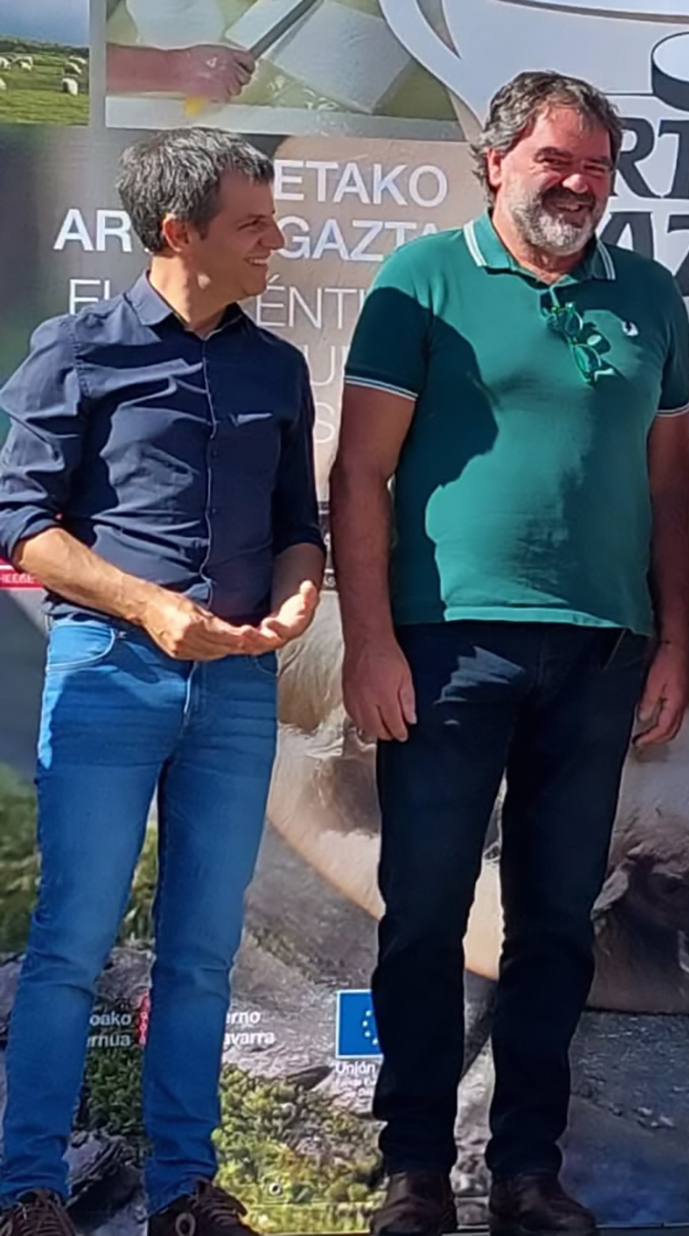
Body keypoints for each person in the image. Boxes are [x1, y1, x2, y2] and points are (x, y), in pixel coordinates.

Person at [329, 71, 689, 1236]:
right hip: (446, 648)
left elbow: (670, 489)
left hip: (600, 653)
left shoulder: (648, 295)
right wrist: (369, 641)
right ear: (494, 162)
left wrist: (675, 640)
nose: (579, 184)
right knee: (424, 914)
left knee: (556, 924)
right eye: (555, 160)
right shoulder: (422, 279)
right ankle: (414, 1170)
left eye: (597, 166)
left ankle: (528, 1171)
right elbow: (360, 474)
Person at [0, 127, 324, 1236]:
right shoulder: (75, 349)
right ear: (178, 232)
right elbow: (23, 525)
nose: (274, 241)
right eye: (253, 224)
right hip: (106, 674)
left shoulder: (276, 369)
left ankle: (185, 1190)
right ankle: (29, 1190)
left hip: (237, 689)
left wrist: (298, 595)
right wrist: (146, 606)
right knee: (71, 943)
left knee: (201, 951)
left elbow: (298, 525)